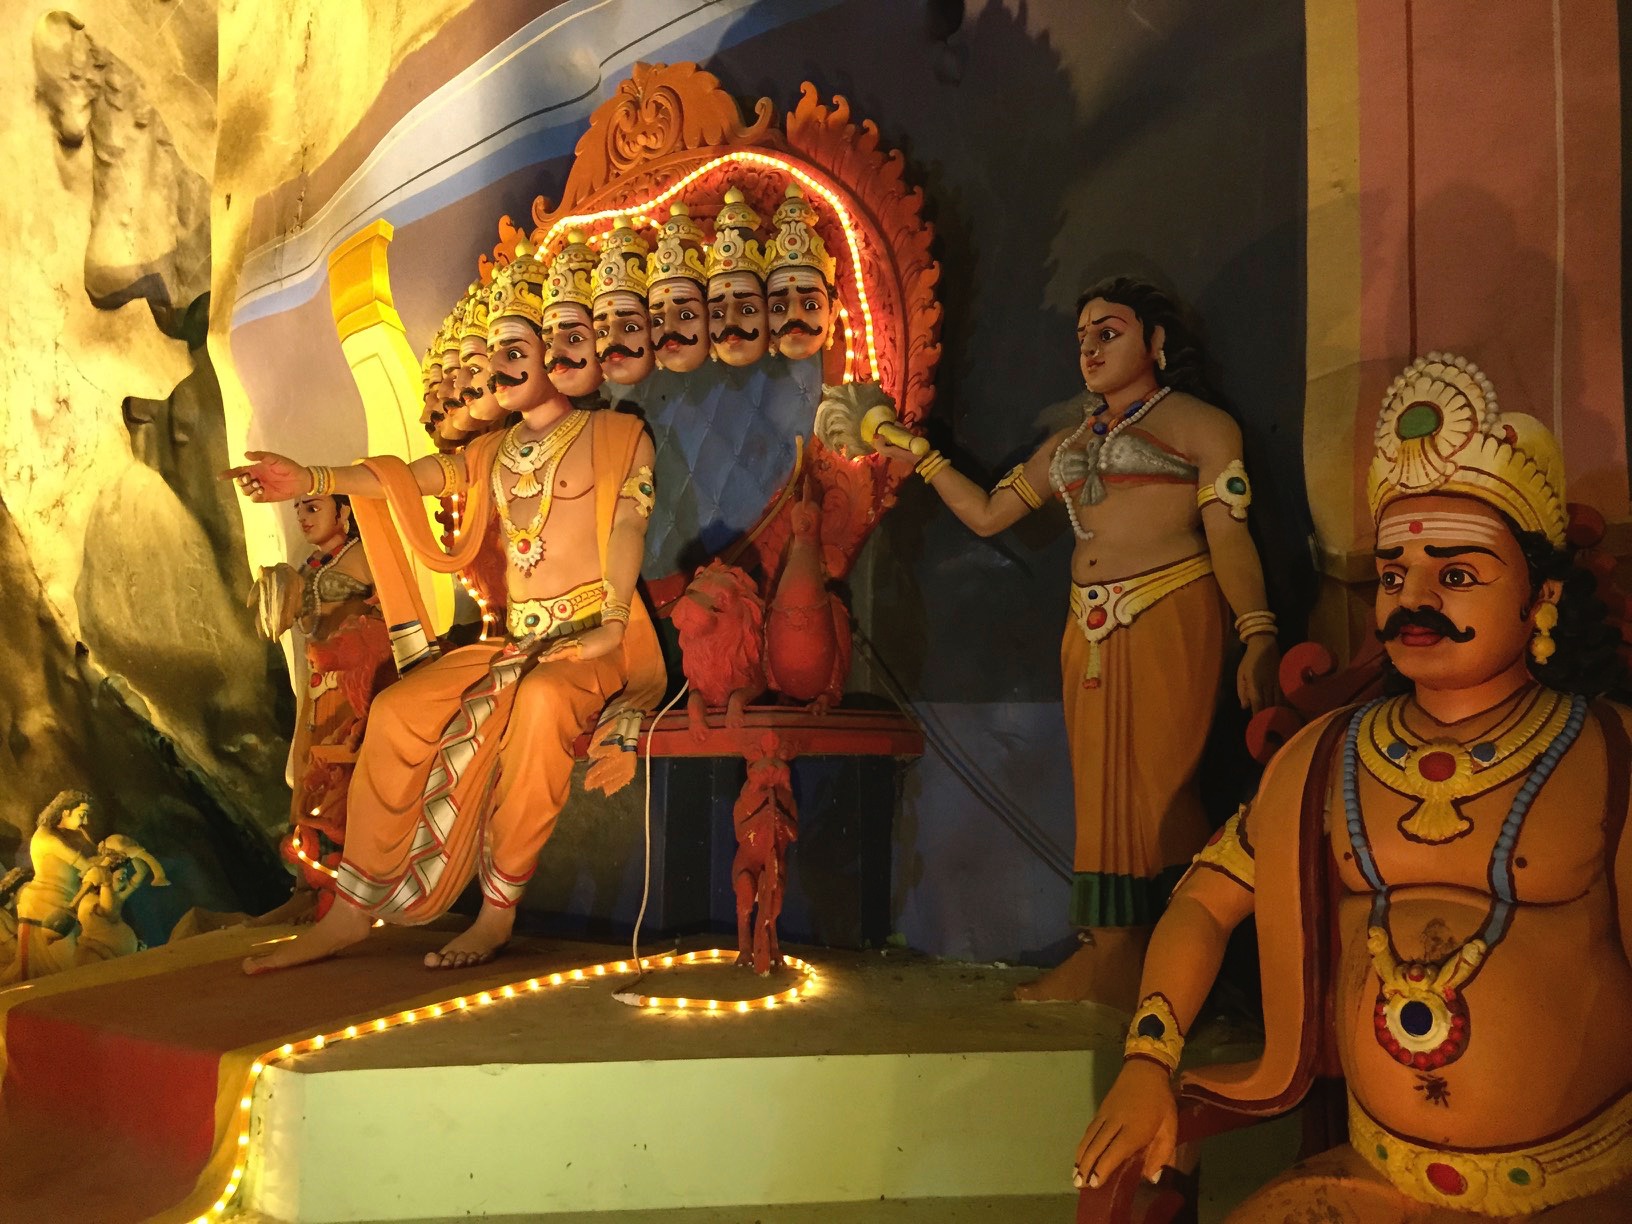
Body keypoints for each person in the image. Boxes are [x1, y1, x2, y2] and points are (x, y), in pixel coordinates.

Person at [1074, 353, 1632, 1219]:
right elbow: (1203, 903)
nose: (1414, 599)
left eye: (1456, 575)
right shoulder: (1325, 758)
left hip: (1578, 1186)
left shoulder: (1606, 752)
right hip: (1378, 1178)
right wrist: (1149, 1059)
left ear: (1541, 595)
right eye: (1393, 574)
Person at [224, 241, 664, 973]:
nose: (501, 368)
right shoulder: (490, 454)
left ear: (559, 351)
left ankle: (497, 913)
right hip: (513, 644)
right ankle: (351, 910)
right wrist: (313, 478)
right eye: (496, 355)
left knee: (542, 703)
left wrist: (611, 625)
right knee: (397, 710)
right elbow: (405, 479)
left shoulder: (619, 438)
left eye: (517, 350)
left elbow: (626, 530)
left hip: (595, 636)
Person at [877, 277, 1279, 1006]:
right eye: (1082, 337)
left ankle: (1192, 951)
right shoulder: (1071, 441)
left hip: (1168, 612)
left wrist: (1257, 632)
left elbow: (1229, 535)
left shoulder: (1201, 426)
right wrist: (924, 460)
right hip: (1087, 625)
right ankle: (1110, 951)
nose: (1090, 349)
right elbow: (991, 515)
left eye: (1109, 332)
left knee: (1163, 791)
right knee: (1099, 795)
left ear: (1156, 342)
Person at [249, 491, 393, 921]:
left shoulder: (366, 554)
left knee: (343, 780)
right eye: (298, 509)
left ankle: (347, 892)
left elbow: (394, 613)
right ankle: (307, 887)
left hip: (355, 686)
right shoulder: (308, 565)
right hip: (318, 688)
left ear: (344, 511)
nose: (303, 517)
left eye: (313, 507)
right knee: (309, 777)